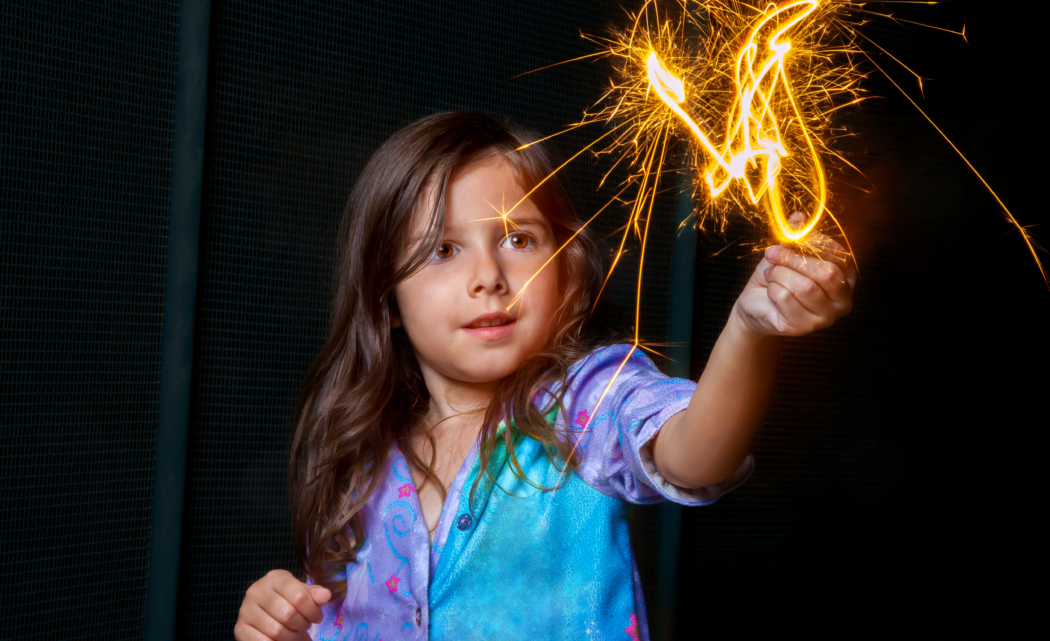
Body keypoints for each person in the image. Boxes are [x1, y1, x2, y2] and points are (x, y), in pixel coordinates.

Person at [233, 112, 855, 641]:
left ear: (566, 266)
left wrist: (750, 327)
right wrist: (284, 623)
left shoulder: (587, 401)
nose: (489, 277)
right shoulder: (355, 461)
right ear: (387, 299)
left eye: (518, 239)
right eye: (443, 250)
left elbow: (696, 456)